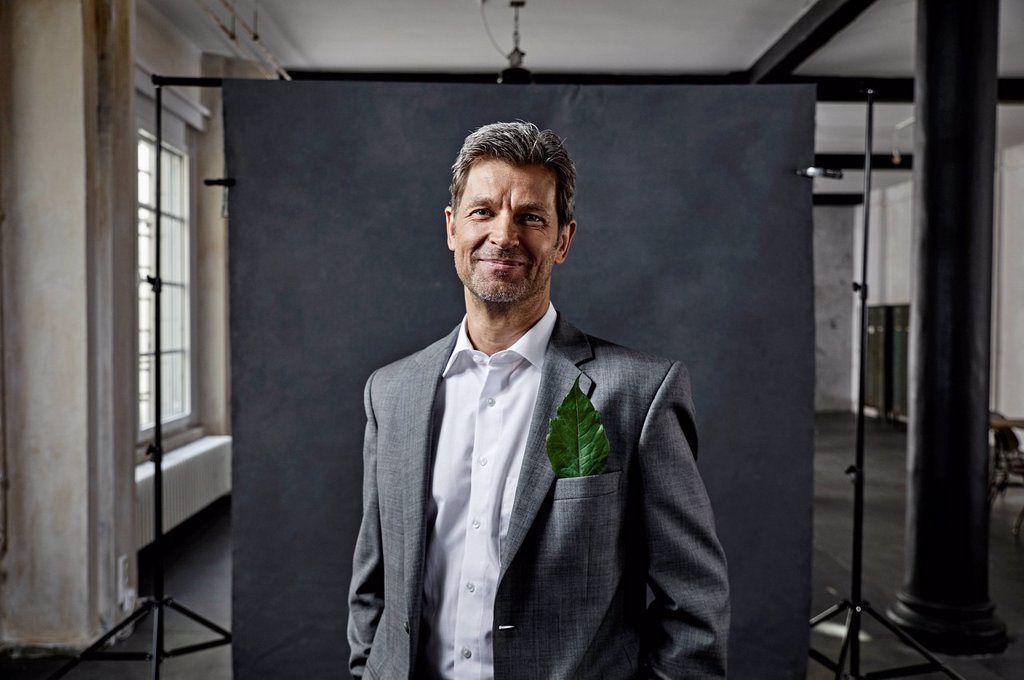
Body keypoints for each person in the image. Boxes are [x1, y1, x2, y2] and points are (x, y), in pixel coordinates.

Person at [348, 121, 729, 680]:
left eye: (530, 216)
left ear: (563, 239)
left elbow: (693, 605)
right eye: (483, 212)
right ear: (452, 229)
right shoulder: (391, 393)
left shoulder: (638, 394)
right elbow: (373, 583)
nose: (504, 234)